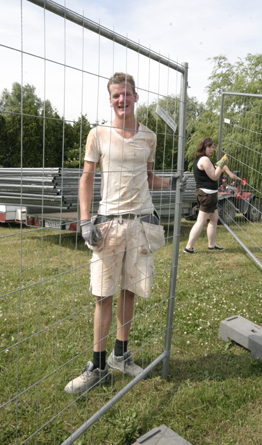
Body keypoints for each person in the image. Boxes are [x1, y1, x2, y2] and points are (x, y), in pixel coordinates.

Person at [65, 72, 186, 394]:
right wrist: (86, 219)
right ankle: (97, 365)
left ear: (136, 97)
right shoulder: (98, 134)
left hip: (140, 224)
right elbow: (87, 178)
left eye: (127, 94)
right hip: (108, 224)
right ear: (110, 99)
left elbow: (148, 178)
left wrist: (172, 181)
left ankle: (121, 354)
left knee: (129, 291)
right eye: (116, 95)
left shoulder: (149, 136)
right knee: (103, 295)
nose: (122, 100)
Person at [183, 137, 240, 254]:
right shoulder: (204, 159)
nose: (212, 149)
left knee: (214, 219)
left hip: (209, 195)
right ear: (203, 147)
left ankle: (211, 245)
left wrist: (222, 167)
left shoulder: (203, 159)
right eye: (209, 146)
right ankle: (188, 248)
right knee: (200, 221)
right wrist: (222, 164)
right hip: (207, 195)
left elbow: (216, 170)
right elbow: (214, 176)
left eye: (213, 147)